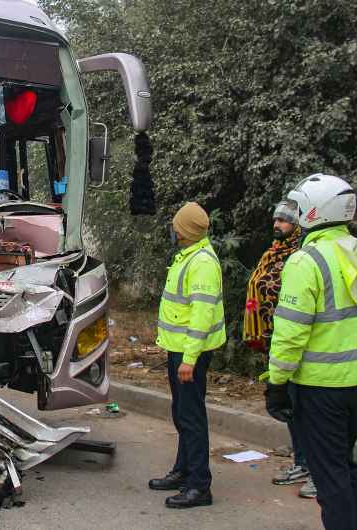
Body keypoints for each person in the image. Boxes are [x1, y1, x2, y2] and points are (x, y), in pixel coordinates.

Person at [265, 174, 357, 530]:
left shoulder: (306, 261)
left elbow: (289, 335)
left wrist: (277, 384)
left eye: (300, 207)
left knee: (329, 475)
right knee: (343, 467)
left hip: (322, 387)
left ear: (315, 211)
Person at [149, 202, 226, 509]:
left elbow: (202, 314)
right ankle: (183, 471)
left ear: (186, 231)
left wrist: (190, 360)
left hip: (188, 353)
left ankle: (199, 486)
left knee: (191, 418)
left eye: (177, 226)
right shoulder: (189, 256)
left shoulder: (202, 263)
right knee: (182, 414)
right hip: (179, 349)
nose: (173, 229)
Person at [244, 200, 316, 498]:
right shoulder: (273, 253)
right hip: (278, 341)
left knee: (309, 409)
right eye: (276, 220)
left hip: (300, 343)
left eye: (284, 221)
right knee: (292, 406)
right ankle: (302, 461)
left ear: (297, 226)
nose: (278, 225)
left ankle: (317, 470)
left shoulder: (302, 257)